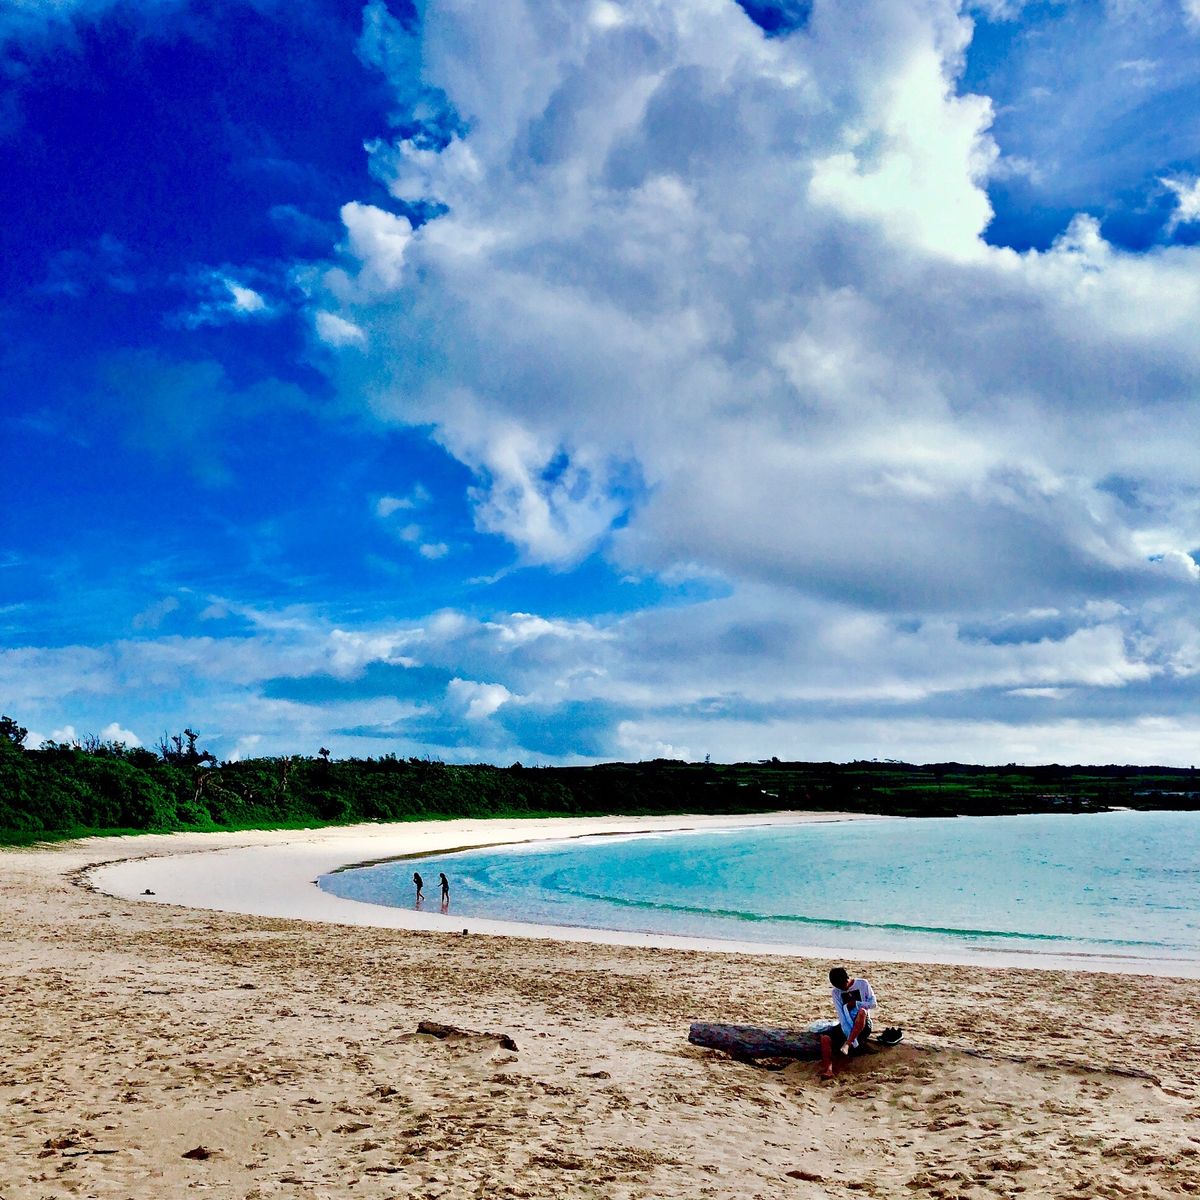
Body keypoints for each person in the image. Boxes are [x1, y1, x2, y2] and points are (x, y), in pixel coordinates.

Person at [818, 965, 877, 1080]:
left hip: (862, 1024)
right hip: (847, 1024)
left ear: (847, 979)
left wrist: (857, 1004)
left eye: (842, 986)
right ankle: (828, 1069)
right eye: (839, 987)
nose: (842, 989)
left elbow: (873, 1003)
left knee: (862, 1012)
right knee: (825, 1038)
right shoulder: (836, 992)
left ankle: (848, 1044)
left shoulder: (863, 984)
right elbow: (841, 1015)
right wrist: (846, 1031)